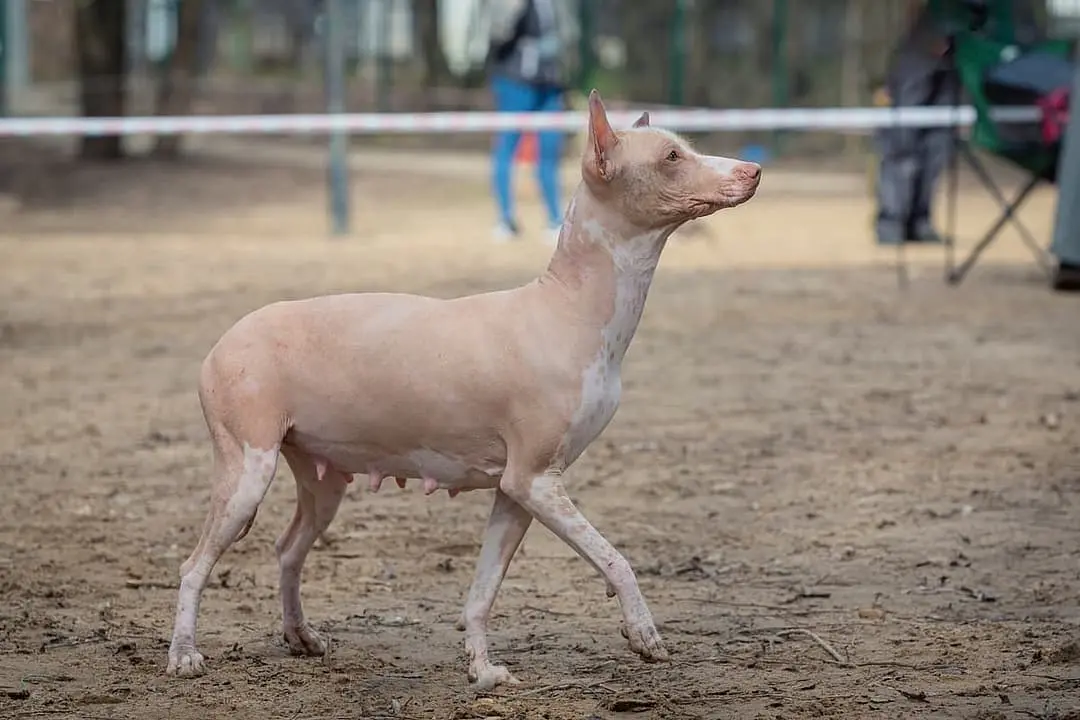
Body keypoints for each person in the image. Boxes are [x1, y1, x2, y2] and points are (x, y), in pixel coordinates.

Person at [486, 0, 577, 242]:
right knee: (506, 148)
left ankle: (555, 219)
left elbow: (568, 34)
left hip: (550, 82)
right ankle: (505, 219)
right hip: (515, 80)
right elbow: (497, 32)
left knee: (549, 151)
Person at [873, 3, 961, 245]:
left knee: (937, 149)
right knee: (902, 148)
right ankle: (891, 222)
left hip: (956, 54)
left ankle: (919, 222)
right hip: (917, 53)